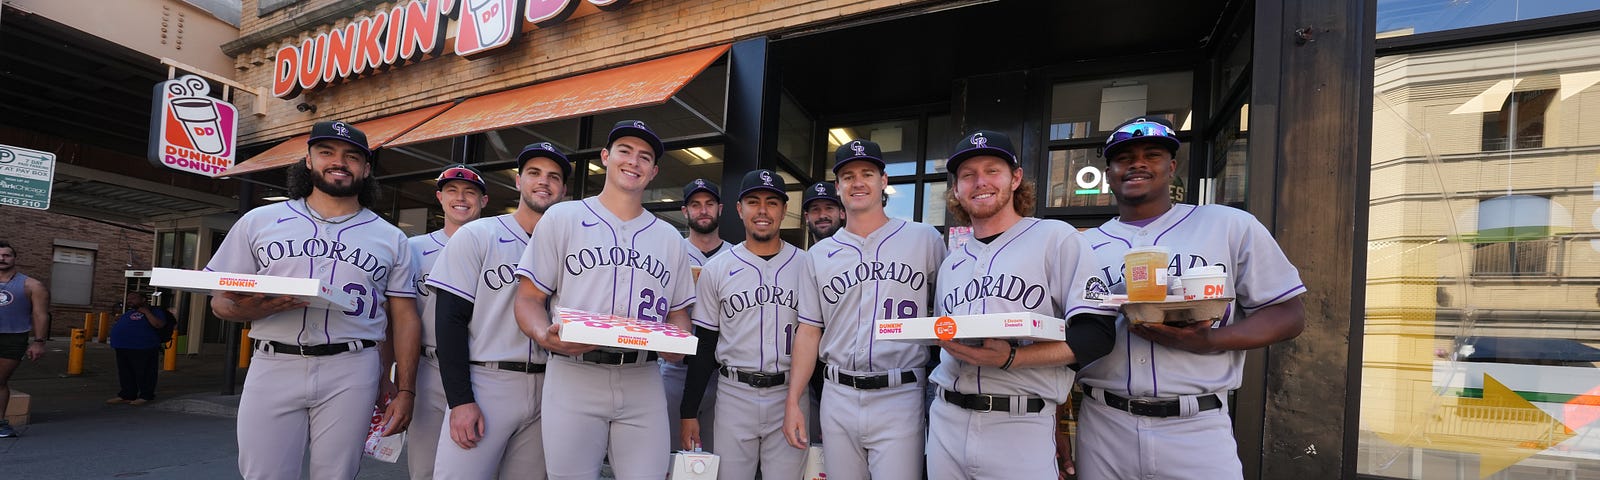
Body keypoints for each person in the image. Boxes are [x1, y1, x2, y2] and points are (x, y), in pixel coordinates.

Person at [1075, 116, 1306, 480]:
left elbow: (1289, 313)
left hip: (1196, 425)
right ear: (1109, 173)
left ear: (1172, 166)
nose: (1137, 163)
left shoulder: (1228, 225)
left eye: (1152, 154)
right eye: (1124, 158)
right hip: (1104, 424)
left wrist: (1210, 340)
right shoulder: (1082, 246)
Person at [206, 121, 421, 479]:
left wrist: (405, 389)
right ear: (308, 160)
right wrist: (246, 308)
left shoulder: (391, 237)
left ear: (366, 169)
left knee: (337, 474)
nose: (339, 162)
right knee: (264, 473)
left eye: (352, 156)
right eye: (327, 152)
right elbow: (220, 302)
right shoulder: (259, 220)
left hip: (352, 366)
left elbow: (405, 318)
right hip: (273, 359)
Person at [923, 131, 1118, 479]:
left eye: (992, 170)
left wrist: (1013, 358)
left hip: (1021, 423)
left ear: (1015, 178)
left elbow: (1097, 336)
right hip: (946, 421)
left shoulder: (1056, 238)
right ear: (956, 189)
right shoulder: (952, 262)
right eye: (967, 175)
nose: (980, 182)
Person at [511, 120, 696, 480]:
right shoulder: (564, 217)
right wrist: (542, 334)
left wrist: (678, 342)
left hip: (643, 376)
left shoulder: (670, 237)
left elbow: (678, 314)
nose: (634, 161)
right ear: (606, 157)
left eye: (645, 157)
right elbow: (528, 299)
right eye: (625, 151)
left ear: (654, 171)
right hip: (575, 372)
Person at [783, 139, 946, 480]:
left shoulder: (925, 239)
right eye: (848, 176)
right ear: (838, 188)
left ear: (884, 181)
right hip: (837, 393)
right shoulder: (819, 254)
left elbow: (947, 316)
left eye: (867, 173)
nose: (858, 182)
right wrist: (794, 400)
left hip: (900, 391)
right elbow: (809, 331)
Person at [426, 143, 569, 479]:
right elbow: (448, 322)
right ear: (518, 181)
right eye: (534, 173)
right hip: (487, 381)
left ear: (563, 190)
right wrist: (460, 400)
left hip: (550, 384)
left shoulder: (568, 245)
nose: (543, 182)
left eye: (553, 177)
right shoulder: (478, 234)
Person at [679, 169, 817, 478]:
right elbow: (705, 345)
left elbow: (814, 338)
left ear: (784, 210)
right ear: (740, 210)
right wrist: (688, 411)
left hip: (789, 391)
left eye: (772, 202)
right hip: (734, 393)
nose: (763, 211)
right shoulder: (717, 269)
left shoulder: (808, 265)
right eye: (753, 202)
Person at [407, 163, 489, 479]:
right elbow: (397, 319)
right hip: (429, 368)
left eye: (470, 192)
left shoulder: (496, 245)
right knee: (425, 467)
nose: (461, 198)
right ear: (440, 198)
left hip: (483, 369)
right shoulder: (414, 249)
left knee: (477, 462)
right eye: (452, 191)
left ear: (483, 200)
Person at [663, 178, 728, 452]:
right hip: (675, 369)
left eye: (709, 204)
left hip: (721, 375)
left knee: (715, 459)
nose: (703, 210)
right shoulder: (670, 252)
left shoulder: (735, 255)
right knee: (667, 455)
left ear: (720, 209)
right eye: (695, 204)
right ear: (685, 211)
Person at [800, 181, 843, 442]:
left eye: (829, 207)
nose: (822, 214)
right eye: (815, 209)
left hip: (839, 375)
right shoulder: (803, 260)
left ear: (842, 212)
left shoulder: (856, 256)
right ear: (806, 217)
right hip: (806, 373)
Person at [0, 240, 48, 438]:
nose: (2, 259)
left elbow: (40, 314)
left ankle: (0, 423)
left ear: (14, 258)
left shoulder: (32, 285)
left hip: (12, 338)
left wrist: (38, 342)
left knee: (0, 380)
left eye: (6, 255)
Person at [107, 290, 176, 406]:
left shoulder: (155, 311)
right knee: (125, 373)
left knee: (144, 372)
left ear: (143, 299)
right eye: (128, 299)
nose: (129, 300)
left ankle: (146, 395)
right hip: (123, 346)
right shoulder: (130, 312)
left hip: (143, 347)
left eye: (133, 298)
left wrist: (146, 312)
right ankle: (127, 394)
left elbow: (158, 324)